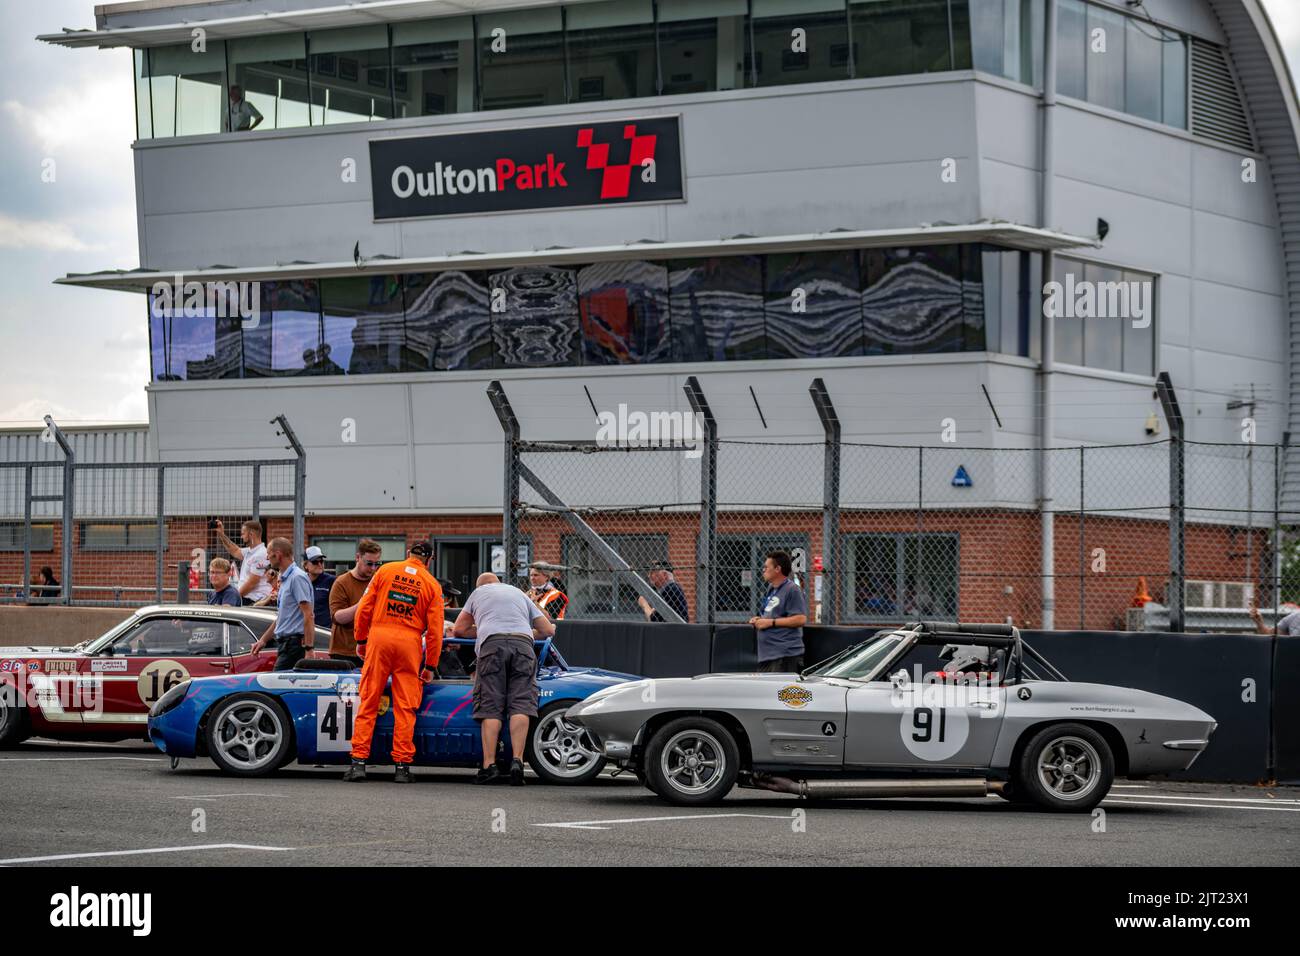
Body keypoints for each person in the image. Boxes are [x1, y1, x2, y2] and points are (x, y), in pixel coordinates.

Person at [343, 542, 444, 784]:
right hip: (409, 643)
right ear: (429, 560)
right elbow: (436, 631)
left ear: (409, 553)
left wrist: (361, 639)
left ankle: (358, 763)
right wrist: (430, 665)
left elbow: (364, 609)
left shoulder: (385, 571)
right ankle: (402, 766)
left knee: (369, 700)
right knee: (405, 707)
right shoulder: (431, 584)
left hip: (379, 639)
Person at [452, 571, 555, 786]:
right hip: (523, 647)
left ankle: (489, 766)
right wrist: (524, 631)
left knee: (490, 705)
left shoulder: (479, 593)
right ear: (499, 582)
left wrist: (483, 630)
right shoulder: (519, 593)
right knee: (521, 704)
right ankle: (517, 762)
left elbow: (459, 630)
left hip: (492, 646)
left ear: (480, 585)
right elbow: (547, 630)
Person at [249, 538, 314, 671]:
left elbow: (308, 614)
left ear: (278, 554)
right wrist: (263, 640)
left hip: (294, 645)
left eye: (268, 553)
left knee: (277, 685)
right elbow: (283, 617)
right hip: (287, 644)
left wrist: (309, 649)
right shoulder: (286, 578)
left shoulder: (297, 577)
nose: (267, 557)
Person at [749, 550, 808, 672]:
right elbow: (772, 615)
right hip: (767, 656)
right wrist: (759, 620)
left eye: (766, 567)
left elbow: (800, 619)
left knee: (779, 691)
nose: (763, 570)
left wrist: (771, 622)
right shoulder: (771, 589)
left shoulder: (792, 589)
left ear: (777, 569)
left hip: (784, 656)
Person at [328, 538, 383, 667]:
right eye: (369, 563)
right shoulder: (342, 582)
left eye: (377, 564)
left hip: (371, 650)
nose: (373, 568)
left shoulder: (378, 582)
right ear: (358, 557)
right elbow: (337, 617)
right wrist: (364, 603)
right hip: (344, 652)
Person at [213, 518, 271, 605]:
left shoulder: (261, 554)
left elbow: (252, 583)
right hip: (247, 599)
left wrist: (234, 597)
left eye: (243, 534)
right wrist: (221, 534)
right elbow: (234, 550)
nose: (241, 537)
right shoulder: (250, 551)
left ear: (251, 534)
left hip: (255, 602)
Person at [303, 546, 336, 626]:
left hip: (324, 632)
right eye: (315, 562)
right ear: (305, 565)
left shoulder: (332, 581)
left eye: (321, 561)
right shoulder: (301, 581)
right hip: (305, 630)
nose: (319, 564)